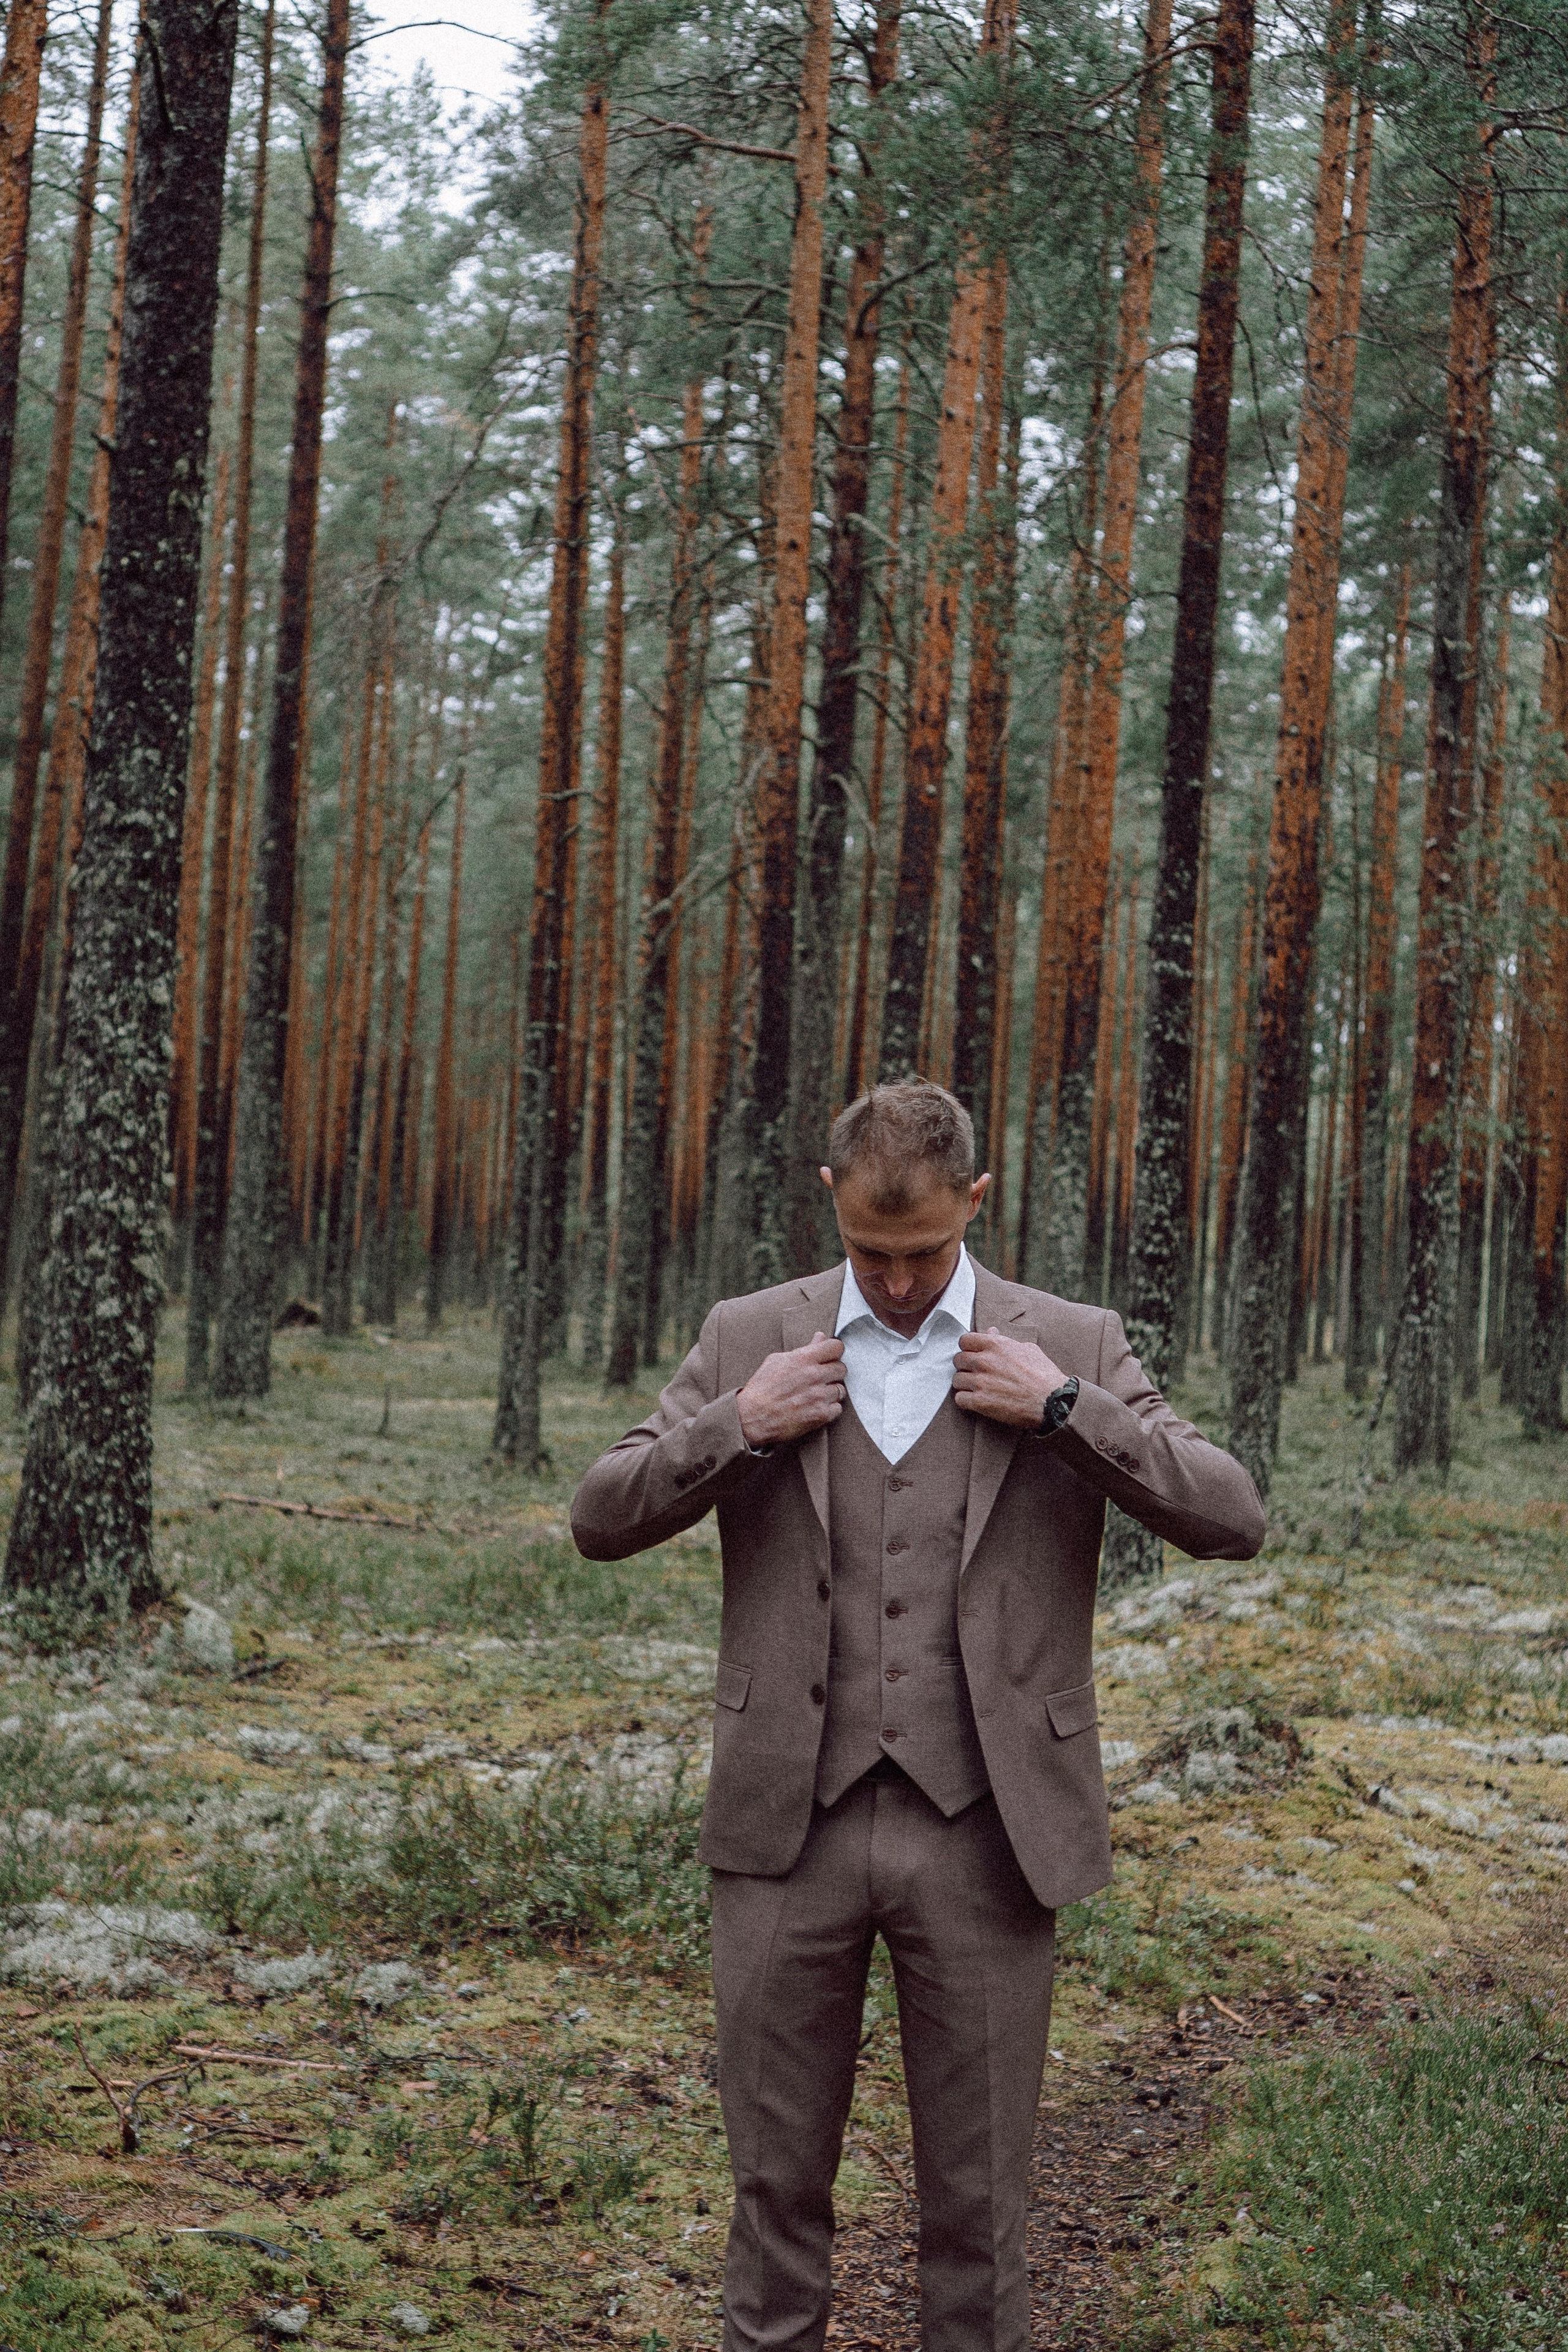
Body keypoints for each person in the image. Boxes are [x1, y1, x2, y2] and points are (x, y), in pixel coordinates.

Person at [571, 1080, 1265, 2352]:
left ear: (977, 1206)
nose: (895, 1286)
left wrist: (1067, 1411)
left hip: (989, 1833)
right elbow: (599, 1514)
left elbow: (1231, 1516)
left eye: (925, 1254)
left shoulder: (1070, 1338)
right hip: (789, 1823)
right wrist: (741, 1423)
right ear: (829, 1200)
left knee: (978, 2209)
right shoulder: (746, 1336)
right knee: (773, 2197)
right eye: (869, 1256)